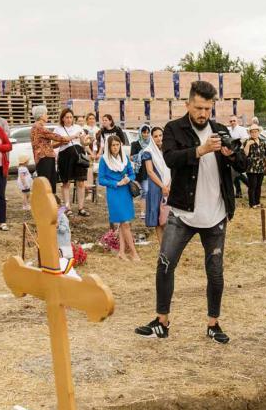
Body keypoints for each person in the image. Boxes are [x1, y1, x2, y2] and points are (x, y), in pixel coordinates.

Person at [134, 80, 247, 343]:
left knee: (215, 271)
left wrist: (230, 153)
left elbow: (241, 164)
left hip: (216, 215)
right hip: (182, 214)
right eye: (198, 107)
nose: (203, 114)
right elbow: (171, 159)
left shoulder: (219, 130)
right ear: (187, 105)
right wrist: (201, 150)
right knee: (164, 265)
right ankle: (162, 321)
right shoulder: (174, 129)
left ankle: (213, 324)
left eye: (208, 108)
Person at [98, 135, 140, 261]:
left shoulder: (125, 158)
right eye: (113, 145)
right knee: (125, 223)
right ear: (108, 147)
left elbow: (132, 174)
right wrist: (116, 183)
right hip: (114, 192)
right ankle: (134, 252)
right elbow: (101, 179)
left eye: (117, 145)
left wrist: (129, 179)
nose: (115, 147)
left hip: (126, 192)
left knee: (124, 223)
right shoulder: (104, 160)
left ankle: (121, 252)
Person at [52, 108, 87, 216]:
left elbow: (84, 143)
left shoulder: (78, 127)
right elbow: (53, 144)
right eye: (66, 117)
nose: (69, 119)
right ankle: (67, 208)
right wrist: (69, 138)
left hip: (78, 156)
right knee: (66, 183)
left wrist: (84, 139)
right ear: (62, 118)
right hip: (65, 157)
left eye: (71, 117)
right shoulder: (58, 129)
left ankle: (81, 208)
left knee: (81, 182)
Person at [140, 126, 170, 245]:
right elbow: (150, 171)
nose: (159, 138)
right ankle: (162, 247)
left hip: (169, 185)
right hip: (156, 186)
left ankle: (170, 247)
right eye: (155, 136)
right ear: (152, 138)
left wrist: (169, 185)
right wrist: (162, 186)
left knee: (169, 217)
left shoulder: (168, 150)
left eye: (160, 135)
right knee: (157, 218)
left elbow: (172, 168)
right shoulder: (148, 151)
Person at [29, 104, 68, 193]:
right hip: (44, 158)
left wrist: (61, 142)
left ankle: (50, 203)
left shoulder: (39, 127)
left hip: (46, 158)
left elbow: (49, 145)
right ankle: (47, 203)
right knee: (47, 182)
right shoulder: (38, 127)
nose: (47, 116)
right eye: (46, 114)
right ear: (41, 115)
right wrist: (72, 137)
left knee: (51, 181)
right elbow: (55, 136)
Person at [242, 122, 266, 207]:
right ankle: (252, 203)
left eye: (255, 131)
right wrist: (248, 145)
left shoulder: (262, 142)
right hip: (251, 167)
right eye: (252, 132)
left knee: (259, 186)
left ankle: (257, 202)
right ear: (250, 133)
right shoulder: (247, 141)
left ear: (258, 132)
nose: (254, 133)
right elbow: (245, 154)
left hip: (261, 167)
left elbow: (265, 155)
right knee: (252, 186)